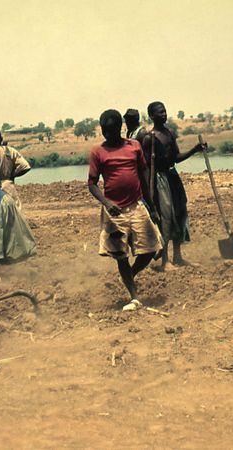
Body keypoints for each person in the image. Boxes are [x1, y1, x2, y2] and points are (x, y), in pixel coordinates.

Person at [88, 109, 163, 311]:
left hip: (137, 205)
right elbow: (92, 184)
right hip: (115, 212)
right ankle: (134, 296)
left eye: (112, 130)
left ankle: (130, 274)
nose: (109, 134)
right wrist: (106, 203)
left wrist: (152, 205)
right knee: (120, 254)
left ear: (120, 128)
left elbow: (144, 173)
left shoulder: (134, 146)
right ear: (102, 130)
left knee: (152, 248)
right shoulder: (98, 152)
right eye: (105, 131)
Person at [142, 101, 204, 271]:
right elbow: (146, 167)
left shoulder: (169, 133)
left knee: (180, 212)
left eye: (164, 112)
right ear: (151, 116)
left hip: (172, 176)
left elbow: (176, 158)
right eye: (159, 113)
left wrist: (195, 150)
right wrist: (149, 191)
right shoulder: (149, 138)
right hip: (160, 180)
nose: (163, 115)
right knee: (166, 216)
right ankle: (165, 261)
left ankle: (178, 256)